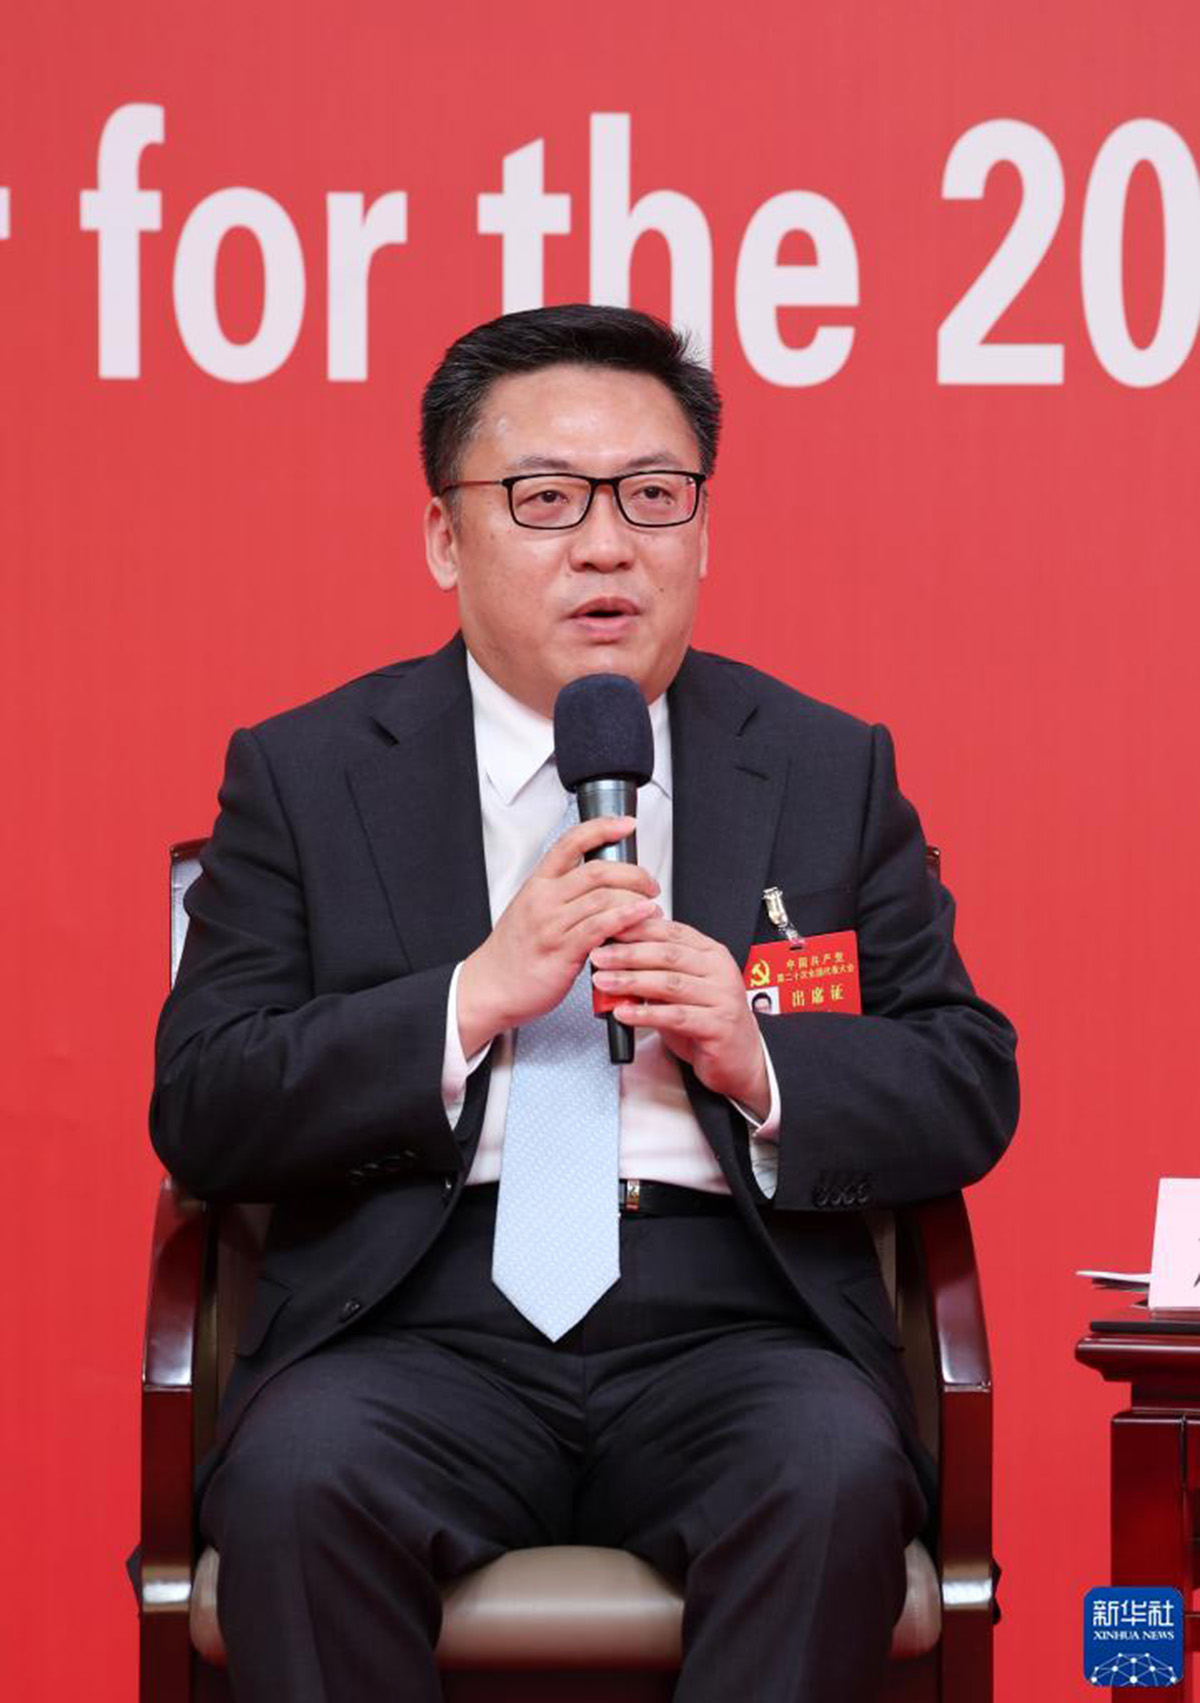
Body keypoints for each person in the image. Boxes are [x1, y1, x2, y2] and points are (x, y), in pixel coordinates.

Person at [151, 303, 1019, 1702]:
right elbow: (204, 1099)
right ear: (446, 538)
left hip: (735, 1321)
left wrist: (756, 1055)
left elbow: (966, 1078)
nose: (607, 546)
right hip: (410, 1320)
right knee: (298, 1482)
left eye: (654, 497)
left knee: (831, 1471)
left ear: (702, 532)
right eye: (546, 499)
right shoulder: (308, 774)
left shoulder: (822, 767)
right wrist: (465, 1001)